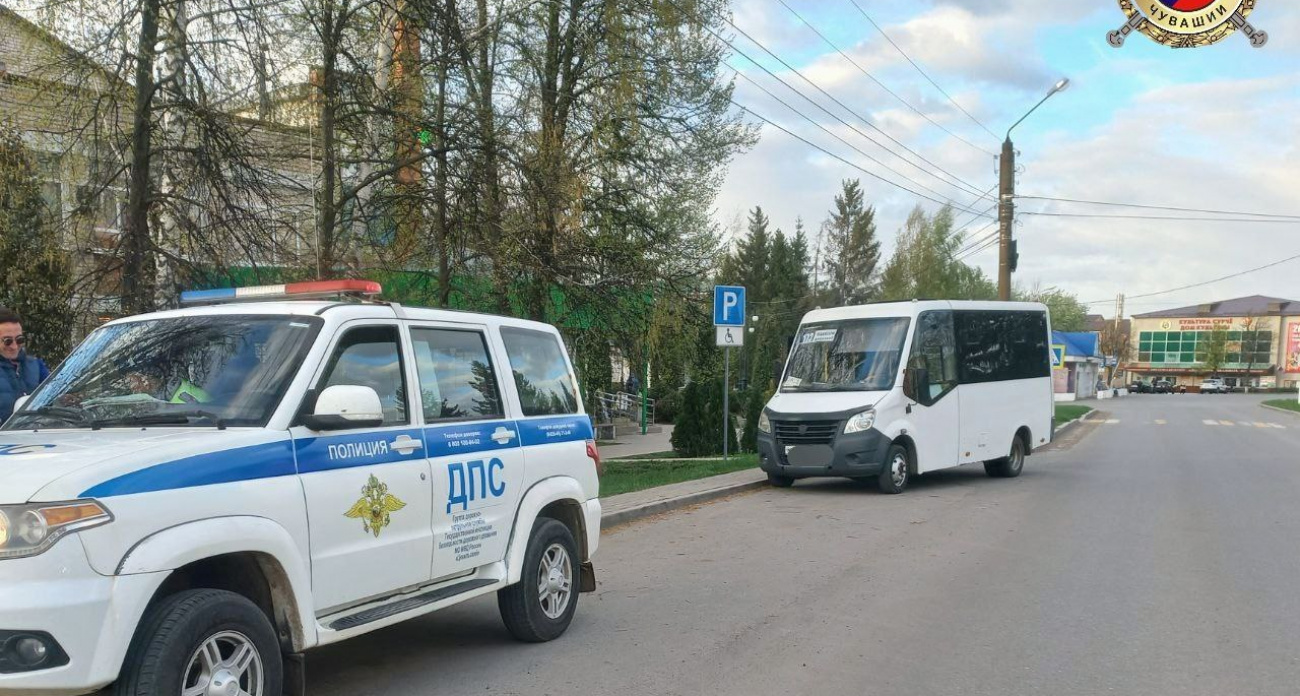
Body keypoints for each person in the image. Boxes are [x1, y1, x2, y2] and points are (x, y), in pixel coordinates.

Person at [0, 308, 50, 422]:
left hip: (36, 430)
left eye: (19, 340)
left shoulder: (36, 366)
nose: (14, 346)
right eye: (7, 341)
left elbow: (55, 398)